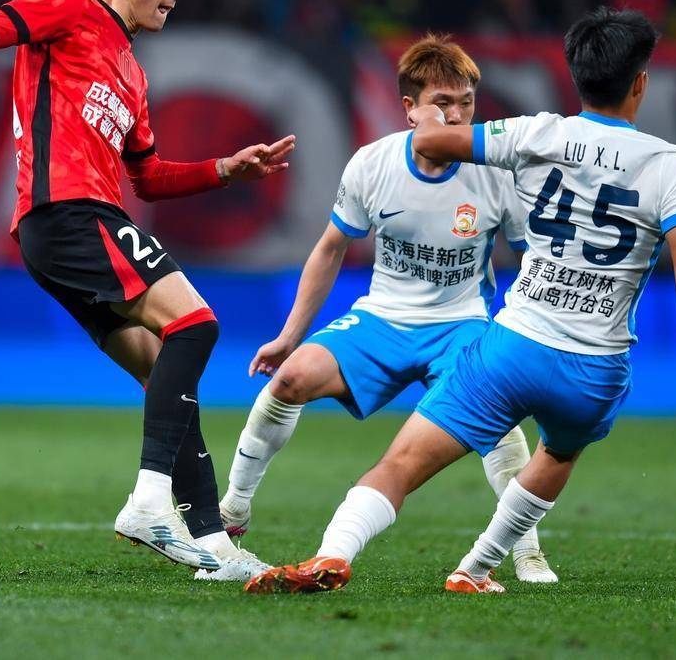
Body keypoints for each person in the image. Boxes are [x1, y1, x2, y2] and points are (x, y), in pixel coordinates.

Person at [246, 7, 676, 595]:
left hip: (513, 347)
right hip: (596, 366)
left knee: (400, 465)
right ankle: (476, 567)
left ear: (576, 76)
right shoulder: (668, 164)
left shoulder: (536, 134)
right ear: (641, 83)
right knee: (556, 456)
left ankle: (334, 553)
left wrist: (438, 120)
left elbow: (428, 140)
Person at [0, 0, 294, 582]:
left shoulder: (133, 71)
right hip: (67, 212)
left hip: (67, 230)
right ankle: (148, 501)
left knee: (167, 373)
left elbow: (148, 177)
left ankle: (213, 545)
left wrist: (225, 169)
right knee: (196, 324)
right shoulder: (71, 9)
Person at [221, 34, 556, 583]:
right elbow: (330, 248)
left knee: (498, 417)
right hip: (381, 319)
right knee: (290, 379)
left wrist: (526, 335)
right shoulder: (372, 164)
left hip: (460, 324)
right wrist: (289, 336)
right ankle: (234, 508)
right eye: (442, 103)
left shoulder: (498, 174)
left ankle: (528, 552)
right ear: (409, 109)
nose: (457, 115)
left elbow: (532, 261)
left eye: (466, 103)